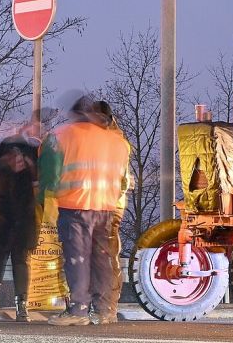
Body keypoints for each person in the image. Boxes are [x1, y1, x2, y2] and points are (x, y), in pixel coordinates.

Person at [38, 95, 129, 326]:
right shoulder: (117, 141)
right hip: (107, 207)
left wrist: (44, 197)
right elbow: (122, 180)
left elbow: (48, 169)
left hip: (75, 205)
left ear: (76, 114)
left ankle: (78, 309)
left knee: (77, 258)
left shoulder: (64, 135)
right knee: (102, 259)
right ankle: (104, 309)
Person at [0, 124, 39, 323]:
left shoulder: (32, 151)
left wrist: (30, 163)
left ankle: (21, 306)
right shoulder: (5, 154)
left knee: (20, 260)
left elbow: (38, 175)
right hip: (3, 214)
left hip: (21, 212)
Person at [91, 101, 132, 325]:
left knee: (105, 255)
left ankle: (107, 305)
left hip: (108, 206)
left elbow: (120, 180)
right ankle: (101, 305)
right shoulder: (112, 140)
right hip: (98, 204)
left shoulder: (115, 143)